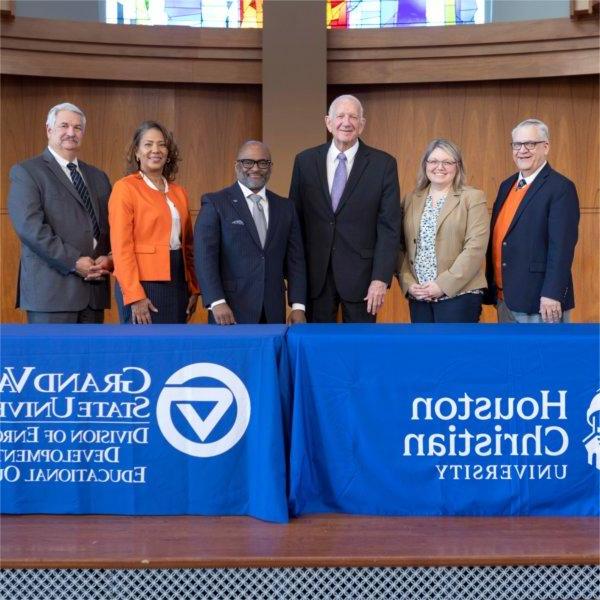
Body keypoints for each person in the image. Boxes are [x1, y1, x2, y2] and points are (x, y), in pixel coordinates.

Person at [289, 94, 401, 323]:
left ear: (362, 124)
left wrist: (380, 278)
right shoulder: (305, 162)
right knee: (317, 349)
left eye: (353, 116)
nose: (346, 122)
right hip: (315, 276)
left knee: (360, 350)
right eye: (340, 116)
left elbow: (389, 227)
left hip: (363, 279)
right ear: (328, 122)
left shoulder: (383, 165)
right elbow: (295, 224)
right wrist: (295, 280)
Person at [8, 102, 112, 324]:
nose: (71, 133)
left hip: (93, 293)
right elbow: (31, 229)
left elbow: (109, 226)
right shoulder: (27, 172)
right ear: (49, 129)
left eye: (77, 128)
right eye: (64, 125)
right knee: (52, 359)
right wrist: (74, 261)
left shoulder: (98, 177)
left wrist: (110, 258)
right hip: (51, 295)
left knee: (92, 359)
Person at [194, 140, 306, 325]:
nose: (255, 168)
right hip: (229, 311)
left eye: (262, 163)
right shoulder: (215, 203)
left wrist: (298, 307)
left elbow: (296, 260)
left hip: (273, 310)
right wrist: (216, 301)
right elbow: (204, 257)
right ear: (237, 166)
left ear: (270, 168)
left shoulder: (286, 208)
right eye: (248, 162)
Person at [485, 118, 580, 323]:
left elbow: (562, 247)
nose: (522, 150)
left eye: (530, 144)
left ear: (545, 147)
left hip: (540, 301)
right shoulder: (506, 185)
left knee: (542, 356)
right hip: (505, 299)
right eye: (517, 144)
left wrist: (552, 294)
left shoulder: (560, 188)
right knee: (510, 356)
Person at [109, 121, 199, 324]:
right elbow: (122, 247)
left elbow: (189, 247)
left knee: (175, 350)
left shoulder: (179, 192)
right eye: (148, 144)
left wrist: (194, 287)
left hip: (178, 282)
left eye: (162, 145)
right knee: (144, 350)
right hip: (142, 285)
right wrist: (134, 295)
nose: (156, 150)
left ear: (168, 153)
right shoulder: (125, 188)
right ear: (137, 152)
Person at [398, 139, 489, 323]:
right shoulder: (410, 199)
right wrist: (409, 283)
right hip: (420, 296)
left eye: (447, 162)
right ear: (425, 165)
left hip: (460, 295)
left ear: (458, 166)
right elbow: (399, 247)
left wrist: (442, 285)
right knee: (425, 352)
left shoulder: (472, 198)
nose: (440, 167)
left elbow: (475, 249)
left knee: (455, 352)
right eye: (433, 161)